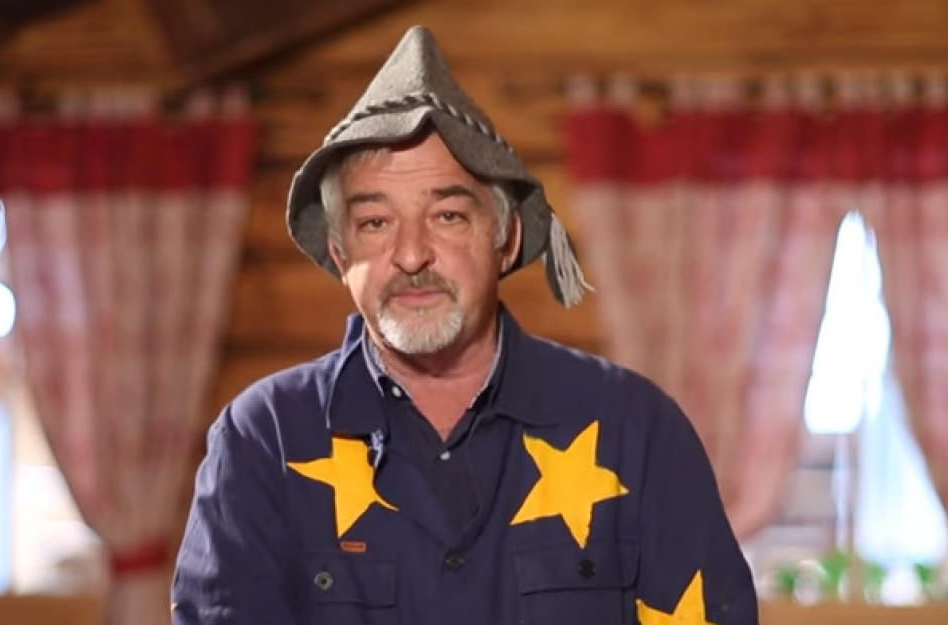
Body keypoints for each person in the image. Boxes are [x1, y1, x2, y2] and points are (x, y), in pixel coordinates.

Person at [172, 25, 758, 625]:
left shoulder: (637, 428)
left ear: (507, 239)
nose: (411, 255)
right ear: (341, 256)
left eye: (448, 216)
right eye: (375, 223)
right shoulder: (263, 439)